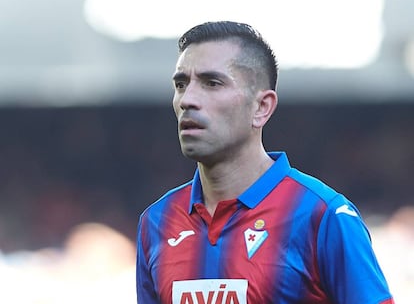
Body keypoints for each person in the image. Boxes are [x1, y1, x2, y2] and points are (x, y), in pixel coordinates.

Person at [136, 21, 394, 304]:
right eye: (181, 84)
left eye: (212, 83)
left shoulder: (323, 216)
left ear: (262, 107)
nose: (188, 99)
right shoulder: (157, 221)